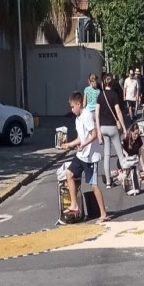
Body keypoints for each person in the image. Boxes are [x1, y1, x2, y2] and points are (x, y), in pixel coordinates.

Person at [60, 92, 109, 223]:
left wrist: (84, 145)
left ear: (79, 104)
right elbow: (80, 138)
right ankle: (74, 205)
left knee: (93, 185)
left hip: (91, 157)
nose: (71, 109)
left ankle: (103, 213)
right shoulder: (77, 119)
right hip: (81, 155)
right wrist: (69, 144)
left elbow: (94, 135)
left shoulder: (87, 115)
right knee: (69, 174)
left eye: (72, 107)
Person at [96, 75, 131, 189]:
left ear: (103, 84)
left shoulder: (100, 96)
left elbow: (97, 114)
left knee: (106, 155)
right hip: (112, 127)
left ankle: (108, 182)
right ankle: (126, 178)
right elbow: (118, 112)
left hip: (103, 127)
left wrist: (98, 130)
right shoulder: (114, 95)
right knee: (120, 153)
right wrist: (124, 128)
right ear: (112, 84)